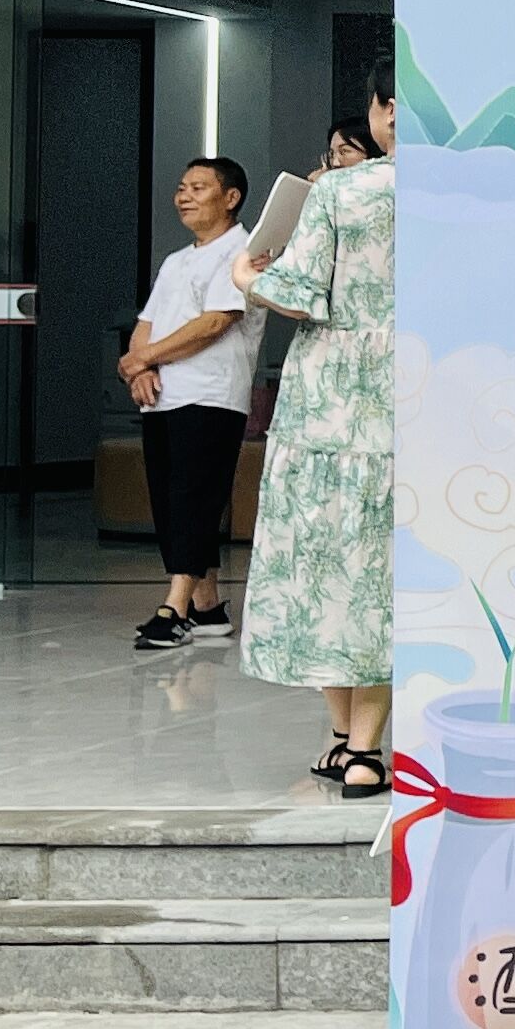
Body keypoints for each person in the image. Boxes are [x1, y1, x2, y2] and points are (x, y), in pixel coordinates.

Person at [237, 83, 397, 797]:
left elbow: (298, 294)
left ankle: (344, 738)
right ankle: (363, 749)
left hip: (331, 402)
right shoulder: (462, 197)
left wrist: (246, 274)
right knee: (384, 574)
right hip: (414, 394)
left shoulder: (338, 191)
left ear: (387, 109)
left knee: (326, 567)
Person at [122, 157, 258, 652]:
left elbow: (215, 323)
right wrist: (142, 367)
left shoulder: (243, 252)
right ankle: (208, 608)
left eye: (198, 188)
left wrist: (144, 359)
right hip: (164, 397)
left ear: (231, 197)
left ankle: (175, 608)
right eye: (181, 187)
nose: (184, 196)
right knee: (169, 499)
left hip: (212, 394)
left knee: (193, 499)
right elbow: (147, 322)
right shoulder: (176, 260)